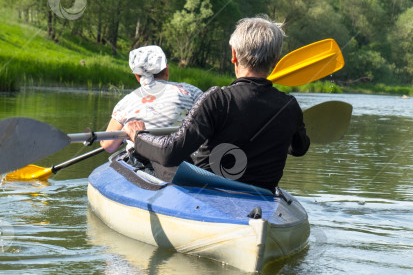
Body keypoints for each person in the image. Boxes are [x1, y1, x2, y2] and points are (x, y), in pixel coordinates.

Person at [124, 16, 310, 189]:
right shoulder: (290, 106)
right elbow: (299, 148)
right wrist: (292, 127)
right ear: (276, 60)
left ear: (234, 55)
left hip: (210, 191)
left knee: (153, 156)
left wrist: (138, 136)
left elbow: (169, 153)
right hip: (260, 194)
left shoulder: (217, 99)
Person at [101, 45, 202, 154]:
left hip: (144, 159)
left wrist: (125, 133)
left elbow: (108, 146)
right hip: (186, 158)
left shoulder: (126, 102)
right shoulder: (191, 91)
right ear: (167, 70)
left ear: (137, 76)